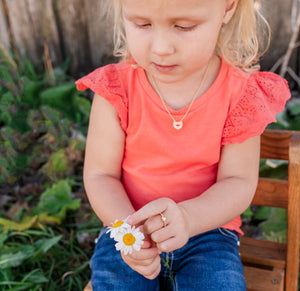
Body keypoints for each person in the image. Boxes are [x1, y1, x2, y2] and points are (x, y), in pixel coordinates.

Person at [76, 0, 291, 290]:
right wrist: (128, 230)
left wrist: (188, 219)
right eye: (142, 24)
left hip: (208, 232)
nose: (161, 47)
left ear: (227, 8)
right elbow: (101, 175)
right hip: (128, 223)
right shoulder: (117, 90)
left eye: (184, 26)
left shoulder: (240, 96)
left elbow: (238, 181)